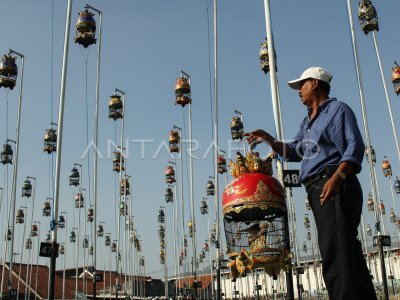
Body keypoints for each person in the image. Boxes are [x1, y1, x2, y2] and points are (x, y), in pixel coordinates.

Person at [246, 67, 377, 300]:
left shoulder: (337, 110)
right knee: (346, 252)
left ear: (315, 84)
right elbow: (293, 152)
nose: (298, 91)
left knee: (335, 253)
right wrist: (269, 139)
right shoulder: (308, 121)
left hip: (334, 184)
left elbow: (354, 146)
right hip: (320, 188)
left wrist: (338, 178)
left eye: (301, 85)